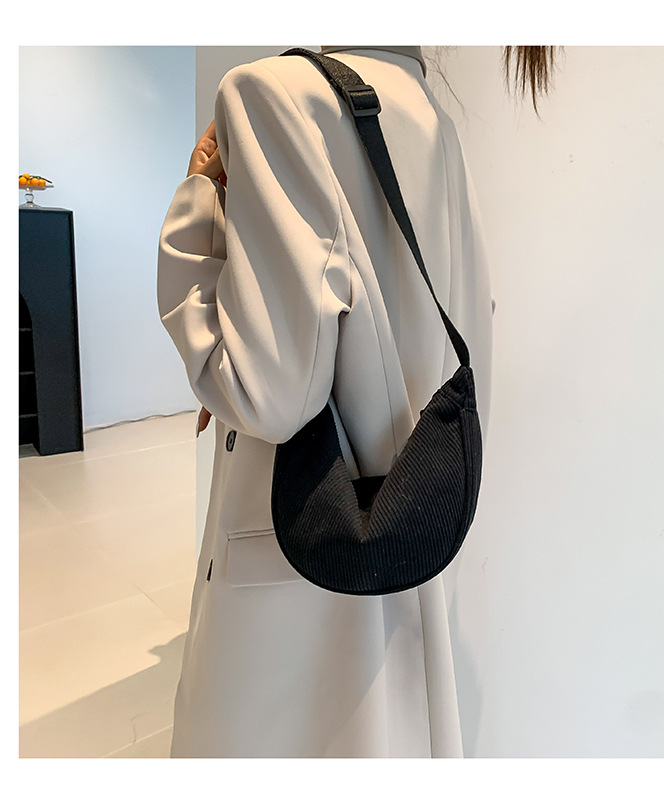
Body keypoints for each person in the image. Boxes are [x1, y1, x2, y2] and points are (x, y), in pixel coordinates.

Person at [157, 45, 546, 758]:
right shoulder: (426, 110)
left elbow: (268, 395)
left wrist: (196, 206)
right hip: (409, 559)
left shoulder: (270, 93)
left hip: (300, 598)